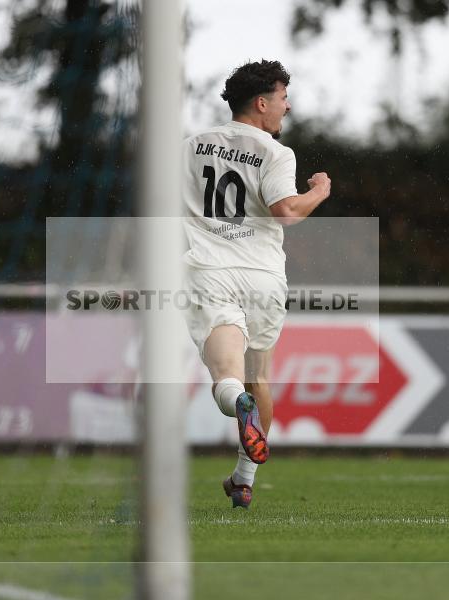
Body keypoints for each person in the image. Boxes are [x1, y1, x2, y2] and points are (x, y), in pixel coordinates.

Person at [182, 60, 331, 508]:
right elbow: (286, 210)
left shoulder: (191, 146)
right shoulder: (275, 153)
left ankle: (234, 404)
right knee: (258, 378)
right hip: (263, 275)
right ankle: (243, 479)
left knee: (226, 375)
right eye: (283, 98)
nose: (287, 107)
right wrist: (320, 191)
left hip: (211, 269)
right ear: (262, 103)